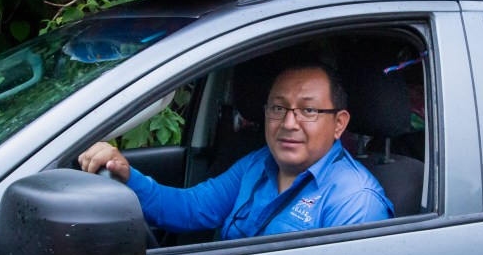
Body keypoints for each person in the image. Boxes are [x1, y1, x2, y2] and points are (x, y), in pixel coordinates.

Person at [79, 63, 394, 239]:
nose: (289, 123)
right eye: (278, 108)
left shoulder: (355, 203)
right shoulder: (259, 163)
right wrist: (126, 176)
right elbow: (191, 208)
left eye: (308, 111)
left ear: (339, 123)